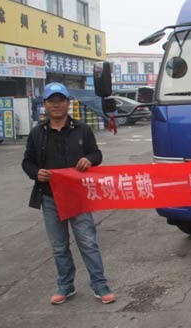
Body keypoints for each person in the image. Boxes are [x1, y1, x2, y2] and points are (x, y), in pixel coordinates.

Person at [22, 82, 115, 305]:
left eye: (60, 100)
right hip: (50, 197)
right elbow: (27, 161)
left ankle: (99, 284)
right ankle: (66, 285)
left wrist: (89, 159)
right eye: (51, 101)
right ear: (44, 104)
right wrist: (37, 173)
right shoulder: (37, 133)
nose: (56, 105)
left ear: (67, 103)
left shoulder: (82, 129)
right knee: (59, 245)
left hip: (78, 196)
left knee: (88, 242)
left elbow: (96, 153)